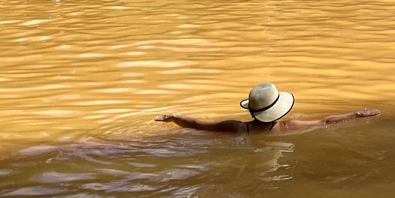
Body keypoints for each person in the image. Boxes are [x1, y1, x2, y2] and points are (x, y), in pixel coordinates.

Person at [155, 82, 379, 134]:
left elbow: (198, 125)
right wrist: (356, 114)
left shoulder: (236, 128)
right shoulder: (286, 127)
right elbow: (325, 121)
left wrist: (174, 117)